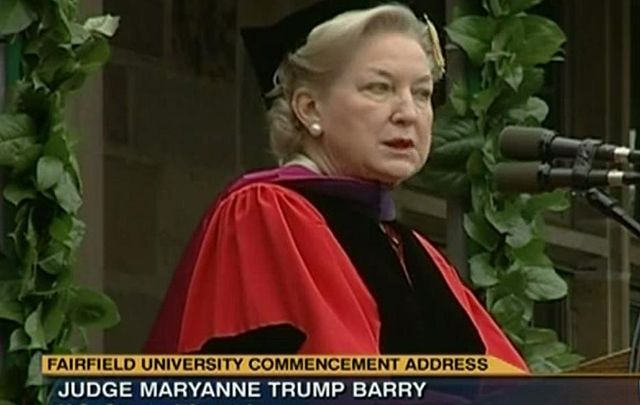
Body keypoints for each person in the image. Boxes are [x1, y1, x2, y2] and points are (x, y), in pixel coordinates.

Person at [144, 3, 528, 372]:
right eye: (380, 88)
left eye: (422, 93)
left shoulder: (419, 254)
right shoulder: (265, 214)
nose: (408, 113)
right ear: (309, 109)